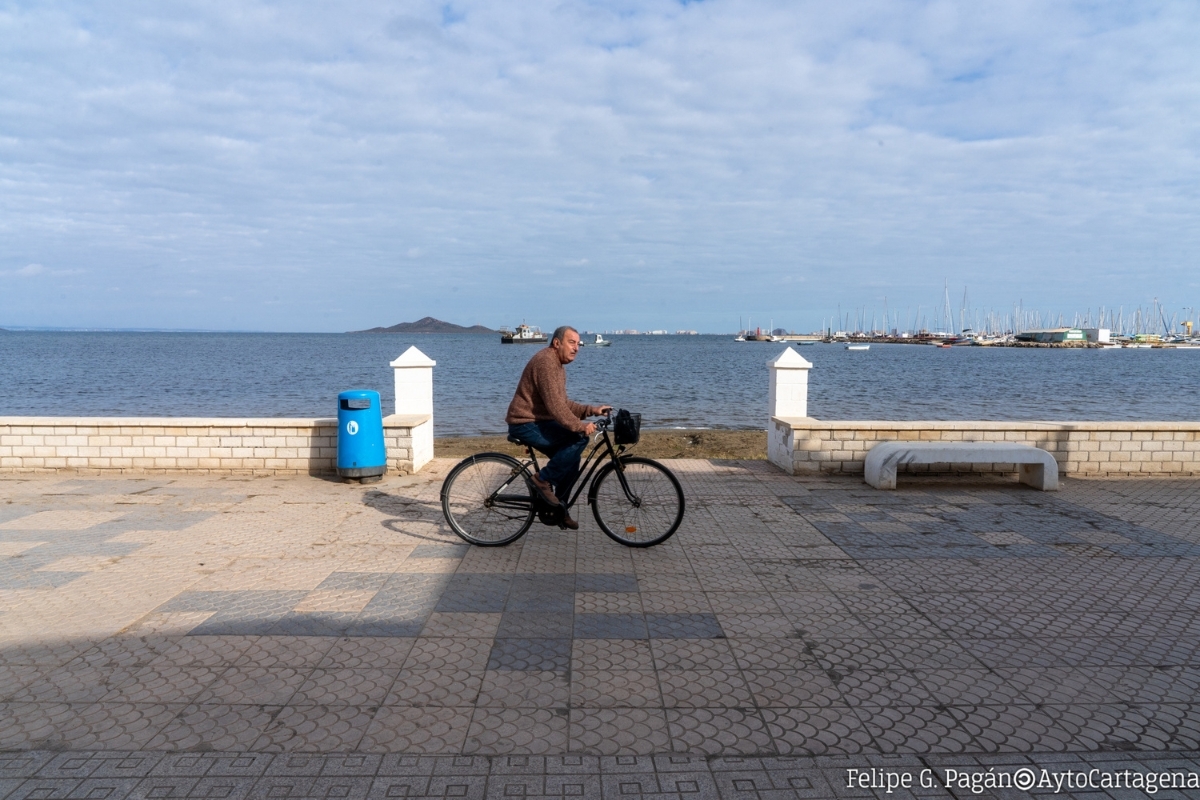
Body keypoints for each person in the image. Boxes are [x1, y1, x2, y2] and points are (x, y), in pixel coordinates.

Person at [506, 325, 611, 530]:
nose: (576, 348)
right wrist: (580, 427)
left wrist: (592, 410)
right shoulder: (546, 362)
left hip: (539, 421)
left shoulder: (557, 366)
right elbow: (556, 407)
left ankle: (558, 509)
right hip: (524, 423)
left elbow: (562, 404)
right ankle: (541, 480)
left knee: (571, 459)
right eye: (571, 342)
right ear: (557, 343)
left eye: (578, 344)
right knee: (579, 439)